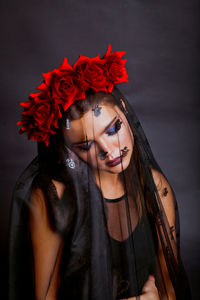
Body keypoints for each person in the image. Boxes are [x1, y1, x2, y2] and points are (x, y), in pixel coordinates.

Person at [8, 45, 191, 300]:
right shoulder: (53, 198)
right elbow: (44, 295)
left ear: (124, 109)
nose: (108, 150)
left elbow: (170, 285)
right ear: (69, 151)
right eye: (86, 146)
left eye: (112, 129)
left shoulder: (154, 187)